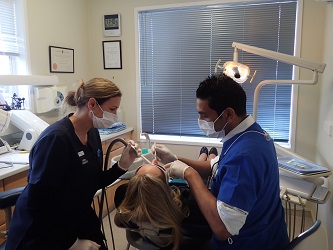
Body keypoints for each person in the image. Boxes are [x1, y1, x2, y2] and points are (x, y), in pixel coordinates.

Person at [152, 74, 289, 249]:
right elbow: (214, 166)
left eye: (204, 115)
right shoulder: (249, 134)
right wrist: (176, 159)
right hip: (267, 231)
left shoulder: (244, 155)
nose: (200, 121)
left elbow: (223, 229)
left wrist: (189, 174)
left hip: (249, 242)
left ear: (228, 114)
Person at [6, 78, 137, 250]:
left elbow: (92, 181)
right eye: (112, 109)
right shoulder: (56, 139)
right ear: (92, 104)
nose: (115, 114)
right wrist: (71, 243)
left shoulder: (92, 134)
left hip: (73, 213)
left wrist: (122, 165)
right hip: (41, 228)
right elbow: (37, 204)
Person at [114, 160, 212, 250]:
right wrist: (190, 174)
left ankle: (203, 157)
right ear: (165, 188)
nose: (154, 161)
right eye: (158, 167)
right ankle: (206, 157)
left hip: (149, 240)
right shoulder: (189, 204)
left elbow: (143, 189)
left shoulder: (121, 196)